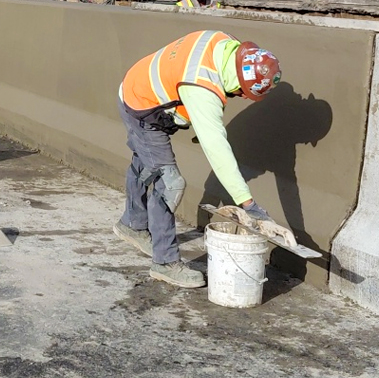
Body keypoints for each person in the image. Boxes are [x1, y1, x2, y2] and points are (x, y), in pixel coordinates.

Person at [115, 30, 281, 289]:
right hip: (143, 107)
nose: (243, 97)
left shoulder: (224, 44)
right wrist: (248, 203)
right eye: (243, 92)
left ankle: (132, 224)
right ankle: (165, 262)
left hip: (135, 86)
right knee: (170, 183)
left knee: (146, 160)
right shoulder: (202, 89)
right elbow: (218, 151)